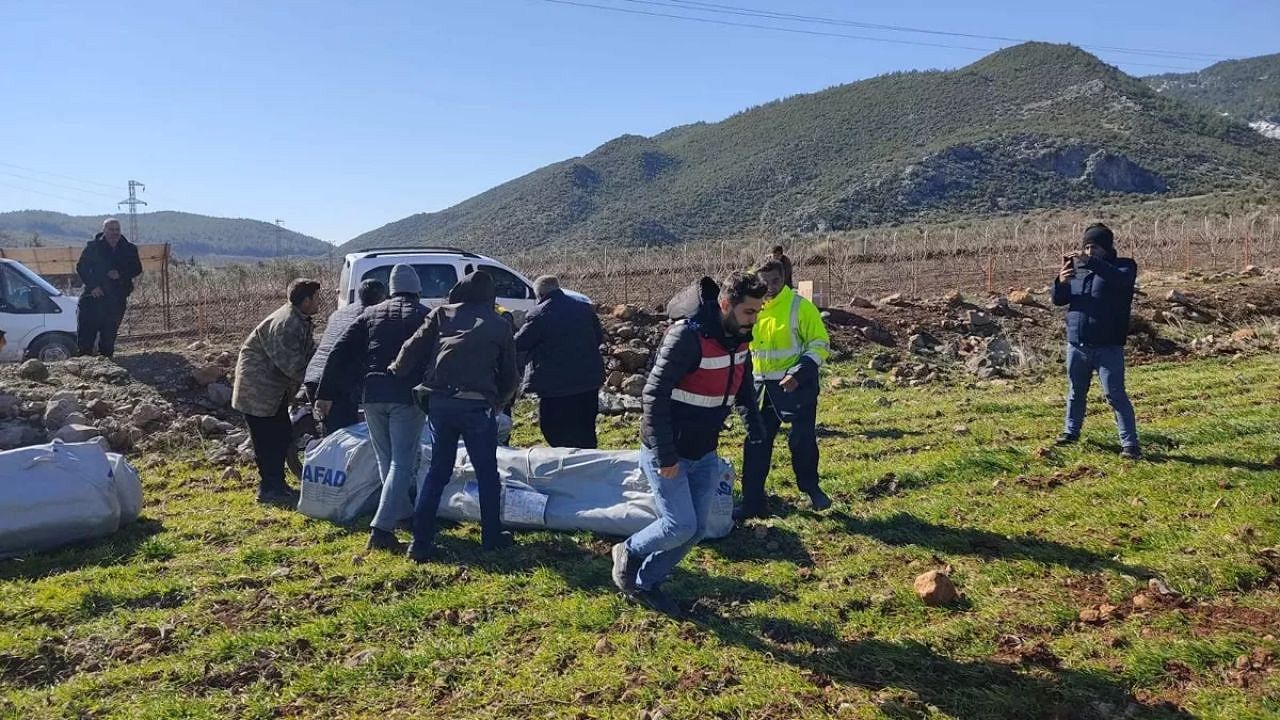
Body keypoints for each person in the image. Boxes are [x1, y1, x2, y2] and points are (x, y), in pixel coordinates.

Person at [611, 272, 766, 615]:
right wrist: (666, 457)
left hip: (704, 449)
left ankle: (646, 582)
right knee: (679, 524)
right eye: (749, 312)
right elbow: (653, 395)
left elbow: (741, 387)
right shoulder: (686, 336)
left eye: (758, 311)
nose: (754, 319)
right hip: (667, 449)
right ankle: (629, 552)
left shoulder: (740, 340)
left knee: (695, 530)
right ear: (725, 305)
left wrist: (754, 426)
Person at [390, 270, 519, 562]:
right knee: (487, 473)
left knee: (437, 472)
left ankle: (420, 543)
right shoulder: (499, 324)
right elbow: (510, 375)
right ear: (490, 296)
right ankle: (491, 537)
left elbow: (412, 346)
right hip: (476, 407)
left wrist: (396, 370)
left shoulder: (442, 314)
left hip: (440, 404)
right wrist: (498, 402)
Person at [317, 265, 429, 551]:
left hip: (371, 395)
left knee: (386, 460)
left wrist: (326, 392)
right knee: (402, 462)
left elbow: (339, 351)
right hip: (407, 396)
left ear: (391, 289)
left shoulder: (370, 314)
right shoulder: (425, 315)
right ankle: (381, 529)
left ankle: (403, 515)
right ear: (417, 289)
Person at [737, 259, 832, 520]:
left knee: (801, 441)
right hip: (761, 389)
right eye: (763, 282)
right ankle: (753, 502)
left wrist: (798, 372)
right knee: (756, 442)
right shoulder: (752, 309)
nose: (769, 287)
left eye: (775, 281)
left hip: (797, 388)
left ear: (784, 279)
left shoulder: (800, 307)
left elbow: (820, 343)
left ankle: (812, 489)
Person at [1052, 223, 1141, 460]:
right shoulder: (1078, 271)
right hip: (1077, 343)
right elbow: (1060, 300)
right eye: (1086, 247)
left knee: (1115, 394)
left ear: (1106, 248)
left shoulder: (1124, 267)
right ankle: (1071, 432)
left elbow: (1121, 282)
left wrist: (1091, 263)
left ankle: (1130, 444)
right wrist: (1060, 282)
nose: (1089, 252)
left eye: (1094, 247)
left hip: (1108, 345)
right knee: (1076, 391)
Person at [232, 279, 321, 504]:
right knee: (267, 440)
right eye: (317, 297)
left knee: (280, 435)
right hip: (258, 390)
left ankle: (277, 485)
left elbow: (310, 354)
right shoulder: (286, 324)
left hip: (273, 391)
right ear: (306, 300)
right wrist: (318, 384)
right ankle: (269, 489)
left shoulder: (300, 320)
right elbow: (293, 365)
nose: (319, 301)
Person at [514, 275, 605, 448]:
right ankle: (590, 467)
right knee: (586, 429)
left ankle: (565, 466)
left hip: (556, 386)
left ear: (539, 294)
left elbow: (520, 343)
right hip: (587, 381)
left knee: (553, 429)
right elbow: (598, 338)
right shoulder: (584, 309)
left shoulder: (539, 314)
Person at [304, 279, 386, 434]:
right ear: (382, 298)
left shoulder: (339, 313)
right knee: (344, 438)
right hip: (333, 384)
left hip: (313, 375)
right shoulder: (370, 317)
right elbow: (341, 355)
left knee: (331, 434)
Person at [75, 218, 142, 358]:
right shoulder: (93, 247)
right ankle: (84, 367)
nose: (114, 233)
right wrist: (93, 286)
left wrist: (121, 274)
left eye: (117, 230)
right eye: (111, 230)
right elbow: (81, 267)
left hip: (116, 299)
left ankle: (107, 370)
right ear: (104, 230)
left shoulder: (129, 249)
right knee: (86, 337)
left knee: (108, 337)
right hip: (93, 299)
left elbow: (137, 268)